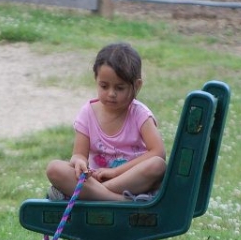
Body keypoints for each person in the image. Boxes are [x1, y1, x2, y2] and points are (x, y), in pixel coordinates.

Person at [46, 42, 167, 202]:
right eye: (104, 86)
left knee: (157, 165)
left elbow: (158, 152)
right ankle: (119, 200)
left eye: (120, 88)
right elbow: (79, 154)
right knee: (54, 169)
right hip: (96, 178)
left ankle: (90, 195)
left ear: (136, 86)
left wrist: (115, 173)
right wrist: (80, 162)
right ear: (96, 80)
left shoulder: (139, 114)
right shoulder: (87, 113)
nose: (111, 93)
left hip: (130, 180)